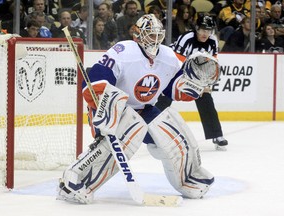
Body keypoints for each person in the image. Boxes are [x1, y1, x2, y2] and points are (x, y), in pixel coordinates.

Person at [57, 14, 215, 204]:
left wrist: (193, 85)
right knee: (125, 139)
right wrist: (105, 107)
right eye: (150, 35)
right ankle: (74, 181)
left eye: (158, 35)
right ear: (137, 35)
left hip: (145, 110)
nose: (155, 40)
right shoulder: (122, 51)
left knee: (174, 138)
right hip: (114, 110)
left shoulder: (168, 56)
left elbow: (174, 88)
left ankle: (189, 179)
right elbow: (95, 81)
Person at [156, 14, 229, 151]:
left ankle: (216, 135)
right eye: (202, 29)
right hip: (173, 70)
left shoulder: (212, 41)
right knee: (166, 98)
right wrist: (190, 85)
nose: (205, 33)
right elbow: (177, 65)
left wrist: (204, 85)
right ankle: (149, 129)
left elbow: (210, 65)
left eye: (209, 30)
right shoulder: (186, 39)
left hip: (195, 73)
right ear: (196, 28)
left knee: (206, 98)